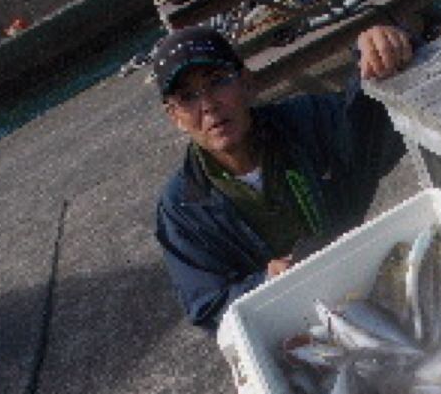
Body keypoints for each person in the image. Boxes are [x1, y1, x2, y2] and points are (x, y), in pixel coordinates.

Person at [154, 24, 415, 330]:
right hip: (291, 328)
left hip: (366, 280)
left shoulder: (305, 122)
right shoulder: (181, 208)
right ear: (175, 117)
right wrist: (267, 282)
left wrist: (382, 47)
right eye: (187, 97)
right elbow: (207, 305)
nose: (209, 105)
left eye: (218, 81)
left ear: (246, 82)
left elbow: (372, 121)